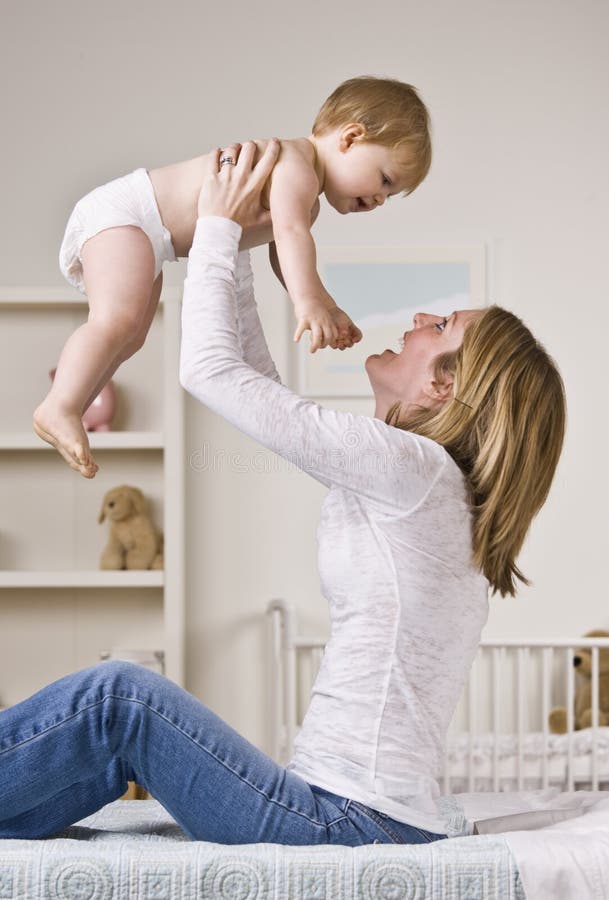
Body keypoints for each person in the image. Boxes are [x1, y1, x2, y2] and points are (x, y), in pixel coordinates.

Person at [0, 141, 565, 846]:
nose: (421, 316)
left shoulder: (412, 471)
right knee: (117, 729)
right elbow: (254, 387)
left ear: (443, 385)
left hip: (350, 821)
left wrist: (214, 224)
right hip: (361, 817)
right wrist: (235, 239)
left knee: (119, 698)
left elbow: (209, 373)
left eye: (442, 326)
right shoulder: (420, 484)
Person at [33, 75, 431, 479]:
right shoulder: (296, 166)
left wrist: (322, 303)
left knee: (132, 333)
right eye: (385, 180)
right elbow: (290, 236)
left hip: (154, 237)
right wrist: (308, 302)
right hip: (129, 214)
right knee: (115, 321)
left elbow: (284, 252)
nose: (381, 199)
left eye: (391, 194)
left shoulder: (307, 200)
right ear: (350, 138)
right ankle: (60, 405)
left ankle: (74, 404)